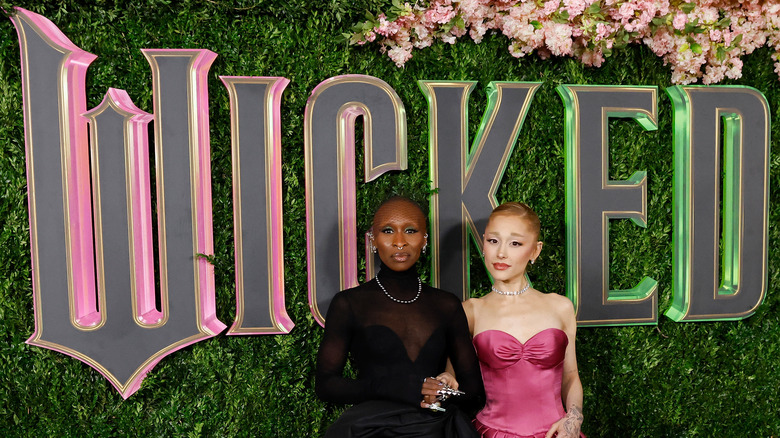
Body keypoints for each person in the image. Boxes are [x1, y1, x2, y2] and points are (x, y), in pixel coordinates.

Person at [315, 196, 484, 437]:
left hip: (437, 427)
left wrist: (443, 389)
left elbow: (474, 391)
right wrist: (395, 388)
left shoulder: (446, 304)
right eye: (387, 231)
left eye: (410, 231)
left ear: (424, 239)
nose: (399, 242)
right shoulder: (349, 303)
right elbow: (326, 385)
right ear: (373, 240)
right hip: (369, 429)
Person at [441, 202, 584, 438]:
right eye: (493, 241)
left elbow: (570, 375)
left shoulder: (561, 307)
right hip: (493, 433)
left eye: (515, 243)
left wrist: (574, 419)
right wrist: (444, 380)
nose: (501, 253)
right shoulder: (471, 310)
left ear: (535, 250)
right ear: (484, 243)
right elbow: (451, 375)